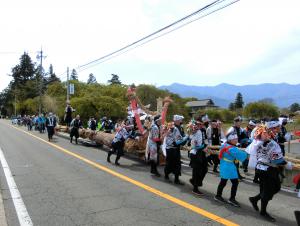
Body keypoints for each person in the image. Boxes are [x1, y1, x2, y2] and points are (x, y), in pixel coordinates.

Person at [248, 124, 290, 222]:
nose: (276, 130)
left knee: (274, 188)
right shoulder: (269, 143)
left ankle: (255, 199)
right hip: (267, 170)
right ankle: (263, 212)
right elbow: (277, 160)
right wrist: (288, 164)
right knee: (268, 191)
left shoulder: (259, 142)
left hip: (264, 168)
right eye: (274, 129)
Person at [214, 132, 247, 207]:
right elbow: (241, 156)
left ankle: (218, 196)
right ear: (230, 140)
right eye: (234, 139)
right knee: (234, 182)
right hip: (229, 166)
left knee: (223, 181)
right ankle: (231, 199)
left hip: (224, 164)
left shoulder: (225, 145)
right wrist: (248, 153)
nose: (236, 140)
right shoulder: (232, 148)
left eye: (236, 138)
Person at [164, 115, 189, 185]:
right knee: (170, 163)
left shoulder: (179, 127)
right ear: (176, 120)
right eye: (180, 119)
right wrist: (186, 137)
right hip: (171, 148)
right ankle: (167, 176)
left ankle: (176, 179)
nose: (181, 120)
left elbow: (181, 137)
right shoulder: (173, 128)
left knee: (177, 164)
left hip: (175, 148)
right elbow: (178, 140)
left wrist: (185, 137)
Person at [189, 121, 207, 196]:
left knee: (205, 169)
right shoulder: (193, 132)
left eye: (201, 124)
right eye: (197, 124)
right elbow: (194, 146)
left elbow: (205, 140)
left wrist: (206, 146)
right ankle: (195, 188)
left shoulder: (202, 131)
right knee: (197, 171)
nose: (199, 125)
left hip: (201, 152)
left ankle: (194, 181)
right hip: (195, 153)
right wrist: (203, 146)